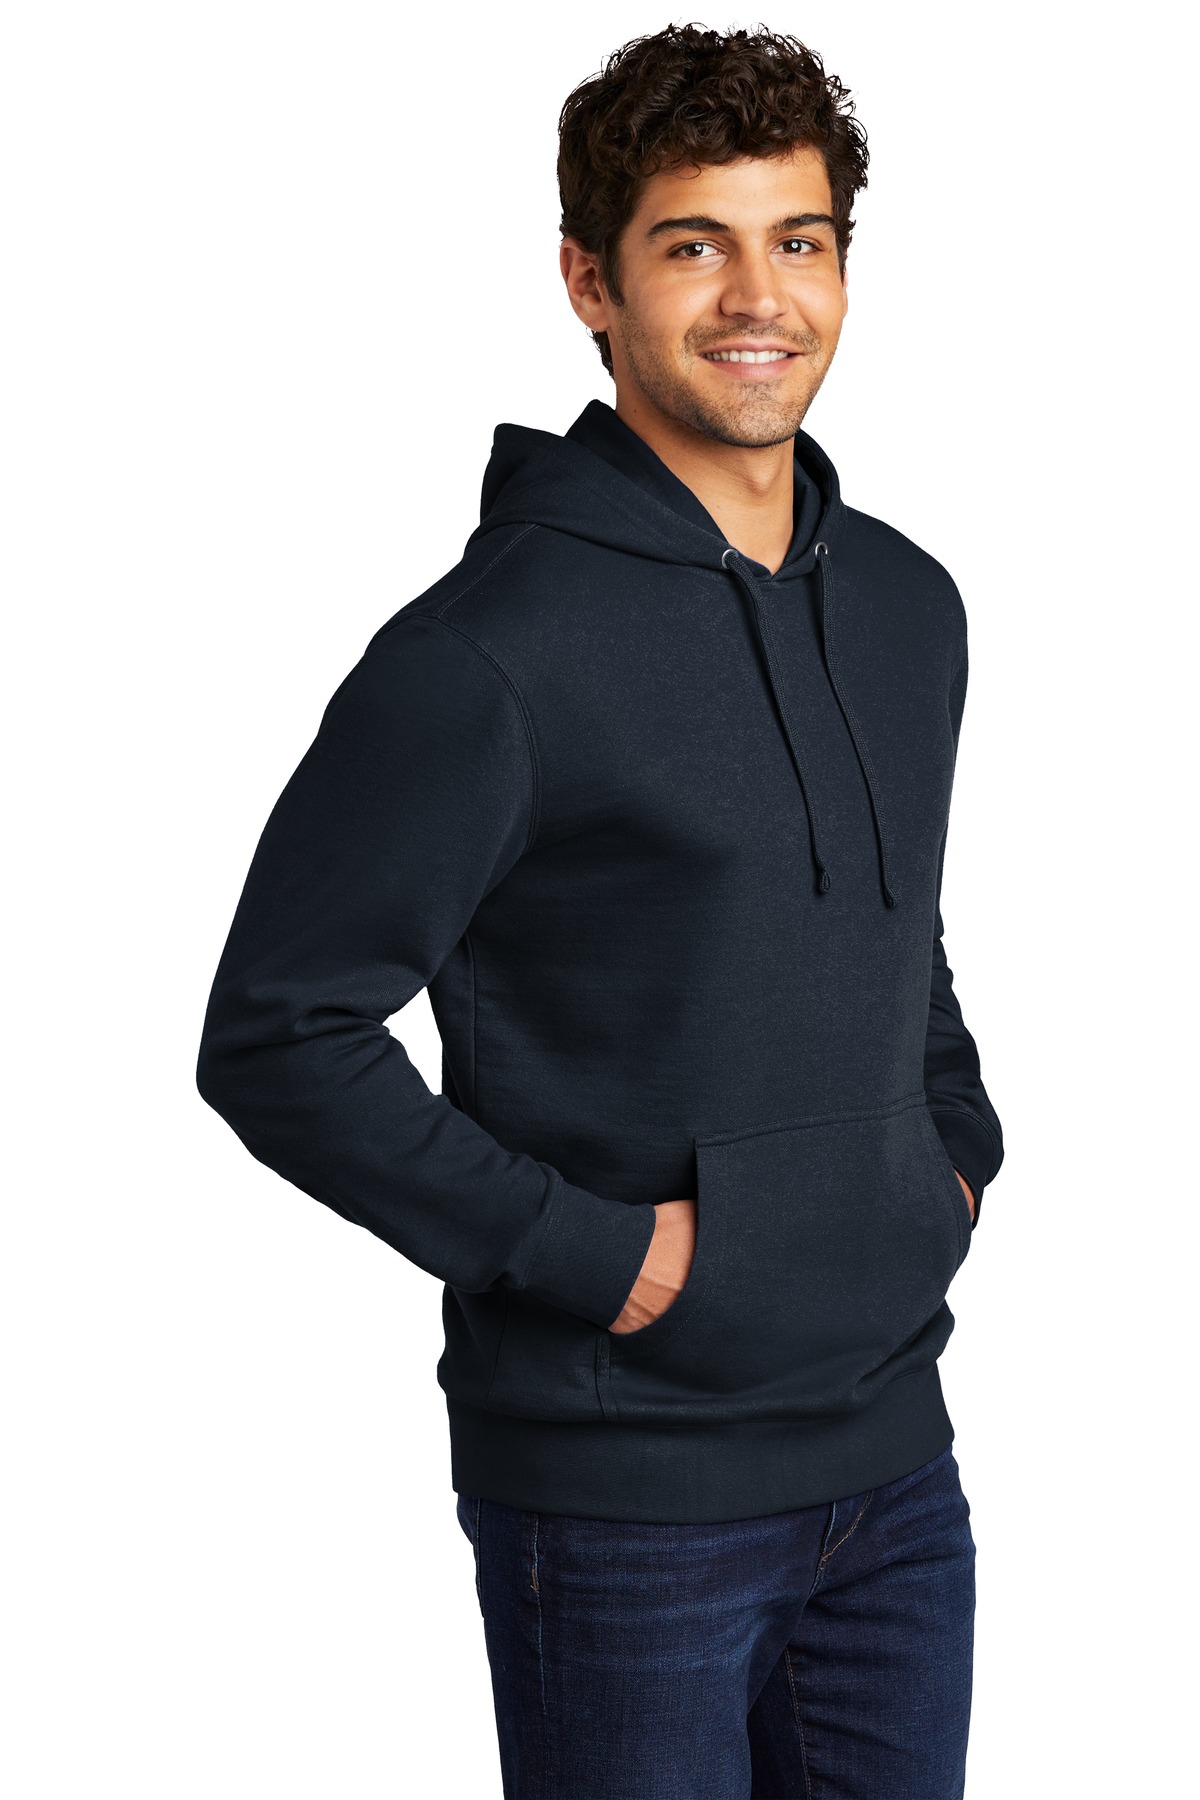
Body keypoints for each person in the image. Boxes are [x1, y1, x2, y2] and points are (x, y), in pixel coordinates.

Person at [196, 23, 1005, 1798]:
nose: (759, 297)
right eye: (692, 244)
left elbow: (897, 930)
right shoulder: (488, 655)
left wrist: (949, 1152)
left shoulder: (909, 606)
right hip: (626, 1500)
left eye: (799, 240)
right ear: (589, 281)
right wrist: (599, 1259)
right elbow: (278, 1035)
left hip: (897, 1464)